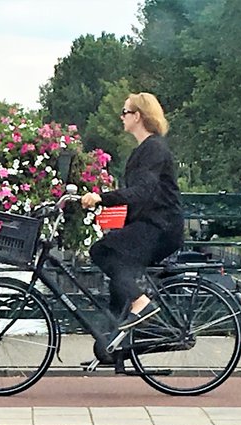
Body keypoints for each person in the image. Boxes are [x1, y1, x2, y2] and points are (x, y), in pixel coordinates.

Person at [81, 92, 184, 331]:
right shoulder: (144, 149)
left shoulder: (154, 149)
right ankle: (112, 348)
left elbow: (142, 191)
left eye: (125, 112)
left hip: (161, 227)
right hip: (150, 224)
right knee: (120, 278)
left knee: (102, 251)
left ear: (138, 116)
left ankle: (142, 303)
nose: (121, 117)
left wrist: (101, 198)